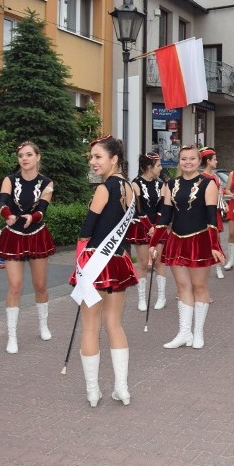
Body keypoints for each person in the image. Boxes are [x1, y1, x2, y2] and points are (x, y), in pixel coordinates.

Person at [70, 136, 138, 407]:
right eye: (92, 156)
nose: (93, 161)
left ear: (114, 159)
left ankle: (93, 391)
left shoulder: (104, 189)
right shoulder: (130, 189)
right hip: (118, 259)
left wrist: (79, 257)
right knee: (114, 324)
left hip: (97, 261)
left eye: (98, 156)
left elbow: (87, 229)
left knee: (90, 326)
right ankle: (122, 388)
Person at [149, 145, 225, 350]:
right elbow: (165, 217)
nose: (188, 162)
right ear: (179, 162)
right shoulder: (170, 184)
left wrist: (215, 245)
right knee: (182, 287)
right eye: (184, 159)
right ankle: (184, 333)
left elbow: (211, 218)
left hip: (200, 241)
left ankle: (198, 332)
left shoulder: (208, 183)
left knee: (199, 287)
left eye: (192, 158)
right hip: (176, 240)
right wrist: (154, 242)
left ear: (199, 161)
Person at [0, 141, 56, 354]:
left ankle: (43, 325)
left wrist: (33, 216)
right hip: (13, 235)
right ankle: (12, 336)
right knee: (15, 286)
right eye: (21, 155)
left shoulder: (47, 182)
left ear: (38, 157)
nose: (25, 158)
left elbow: (42, 209)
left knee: (40, 285)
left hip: (37, 234)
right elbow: (2, 202)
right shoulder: (9, 180)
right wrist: (7, 215)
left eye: (29, 154)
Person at [127, 152, 167, 312]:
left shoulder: (161, 184)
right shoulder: (135, 184)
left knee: (158, 262)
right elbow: (138, 210)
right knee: (143, 263)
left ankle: (162, 296)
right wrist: (149, 227)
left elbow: (162, 208)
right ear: (150, 167)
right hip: (141, 227)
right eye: (158, 165)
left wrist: (156, 227)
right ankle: (142, 298)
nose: (161, 168)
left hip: (158, 227)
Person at [200, 147, 225, 280]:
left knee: (216, 238)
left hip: (215, 211)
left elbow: (219, 194)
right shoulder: (201, 177)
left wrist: (223, 203)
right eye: (214, 159)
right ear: (208, 161)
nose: (217, 161)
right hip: (205, 212)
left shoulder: (215, 177)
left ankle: (217, 266)